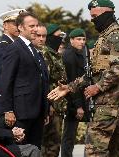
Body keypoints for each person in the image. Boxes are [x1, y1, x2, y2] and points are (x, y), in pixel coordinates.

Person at [48, 0, 119, 157]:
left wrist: (98, 87)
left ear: (107, 13)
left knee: (93, 152)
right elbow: (93, 73)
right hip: (108, 104)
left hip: (108, 104)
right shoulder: (104, 37)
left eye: (95, 16)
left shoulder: (116, 35)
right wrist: (69, 87)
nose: (92, 20)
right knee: (117, 152)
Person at [0, 11, 49, 148]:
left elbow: (42, 79)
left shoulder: (34, 49)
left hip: (37, 111)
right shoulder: (14, 48)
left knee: (35, 149)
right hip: (21, 112)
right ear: (20, 27)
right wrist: (8, 110)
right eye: (31, 26)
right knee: (21, 149)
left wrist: (45, 109)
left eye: (36, 26)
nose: (35, 29)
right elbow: (6, 81)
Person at [61, 28, 89, 157]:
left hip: (84, 97)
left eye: (83, 39)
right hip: (73, 100)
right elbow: (71, 81)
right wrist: (78, 106)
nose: (82, 42)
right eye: (78, 39)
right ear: (71, 40)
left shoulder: (83, 52)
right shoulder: (69, 55)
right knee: (69, 135)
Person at [40, 23, 67, 157]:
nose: (61, 39)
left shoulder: (55, 54)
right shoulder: (46, 54)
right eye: (59, 36)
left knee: (54, 144)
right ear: (51, 37)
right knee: (48, 144)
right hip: (51, 105)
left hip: (58, 105)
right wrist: (48, 104)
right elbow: (44, 81)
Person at [0, 9, 25, 115]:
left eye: (20, 24)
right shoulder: (4, 46)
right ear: (5, 25)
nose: (18, 27)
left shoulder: (14, 45)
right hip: (7, 107)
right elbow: (4, 79)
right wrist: (8, 109)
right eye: (15, 24)